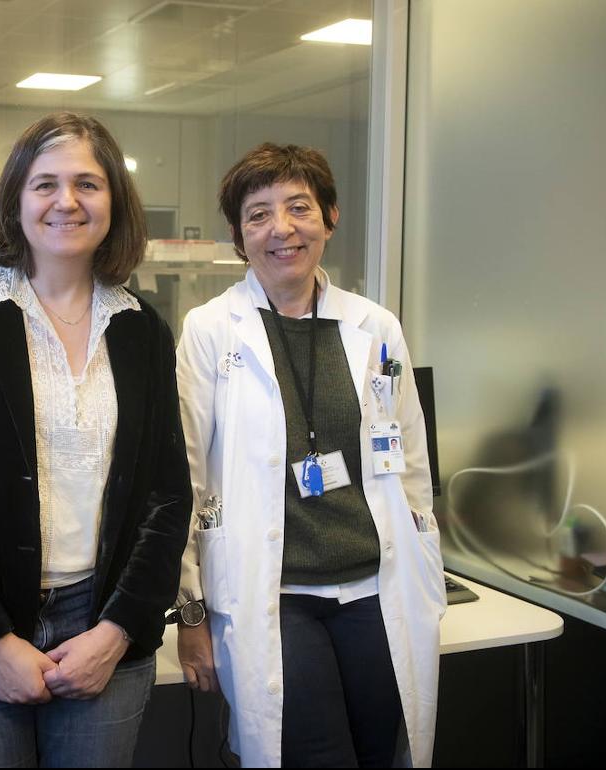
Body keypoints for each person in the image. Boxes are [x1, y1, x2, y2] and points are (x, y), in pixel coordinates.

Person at [0, 112, 191, 768]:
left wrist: (117, 631)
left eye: (87, 183)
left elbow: (167, 499)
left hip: (104, 622)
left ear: (114, 200)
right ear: (16, 200)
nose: (67, 201)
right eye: (45, 184)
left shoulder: (143, 331)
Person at [173, 143, 446, 767]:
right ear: (240, 236)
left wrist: (426, 572)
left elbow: (410, 463)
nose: (282, 229)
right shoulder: (211, 331)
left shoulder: (375, 326)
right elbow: (186, 479)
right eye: (258, 214)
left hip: (378, 588)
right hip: (274, 593)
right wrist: (190, 613)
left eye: (299, 207)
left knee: (380, 753)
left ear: (330, 217)